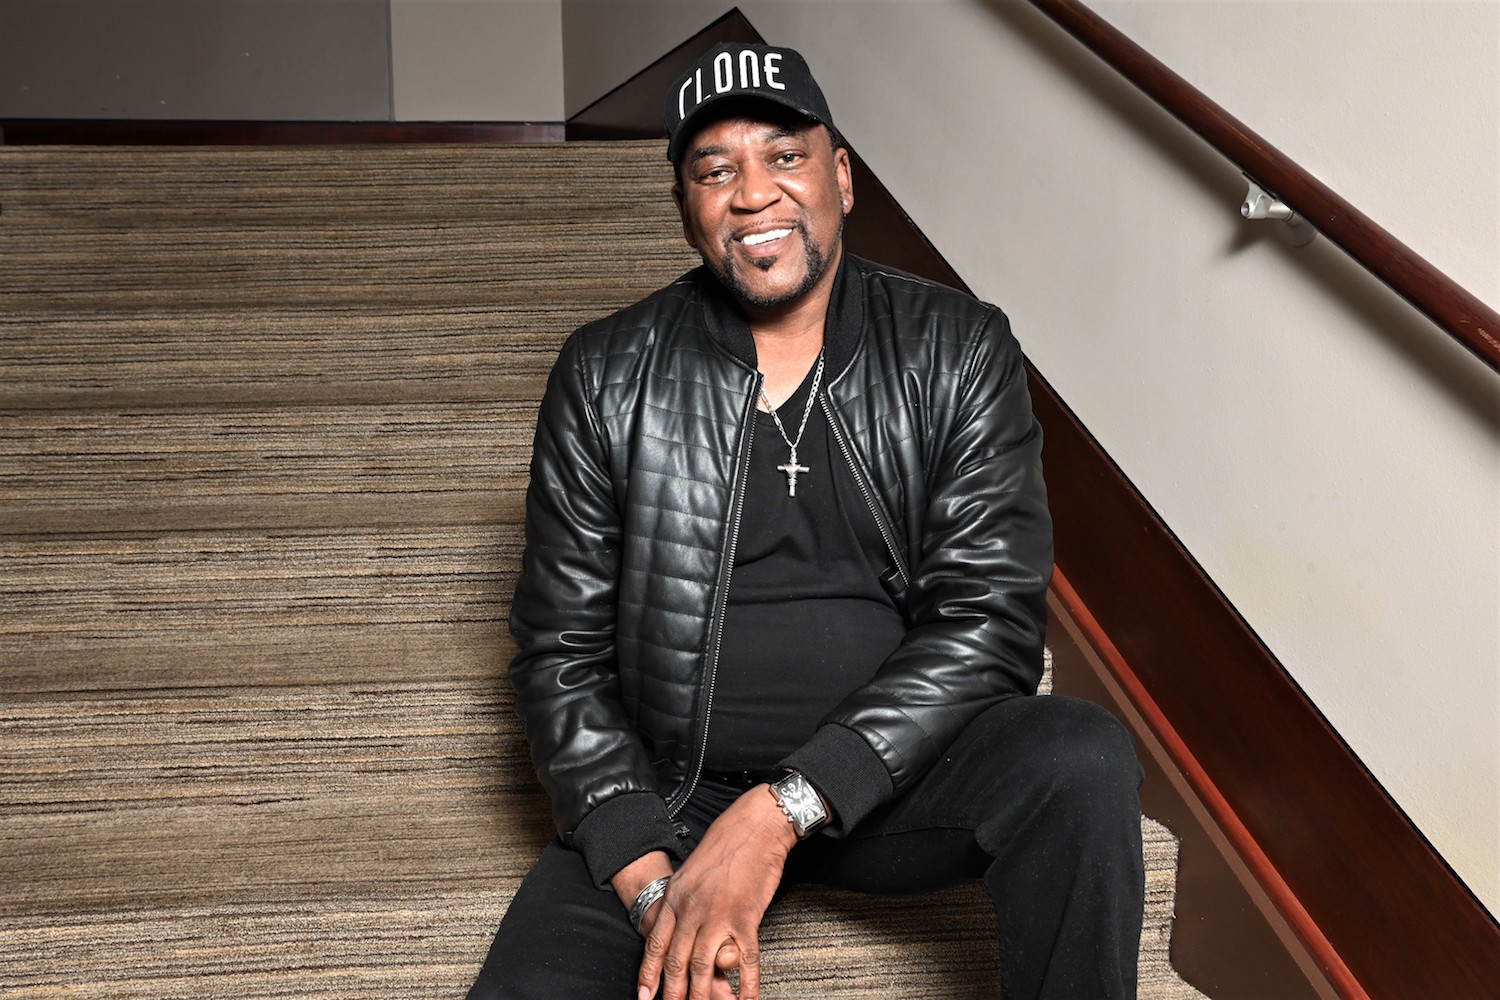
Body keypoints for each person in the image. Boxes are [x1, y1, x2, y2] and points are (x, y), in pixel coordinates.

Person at [468, 42, 1145, 1000]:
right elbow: (560, 655)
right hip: (677, 795)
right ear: (685, 209)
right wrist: (660, 896)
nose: (754, 194)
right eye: (715, 171)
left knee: (1082, 756)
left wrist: (781, 809)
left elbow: (989, 623)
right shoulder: (606, 373)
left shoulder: (957, 350)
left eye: (785, 157)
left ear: (843, 178)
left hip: (896, 778)